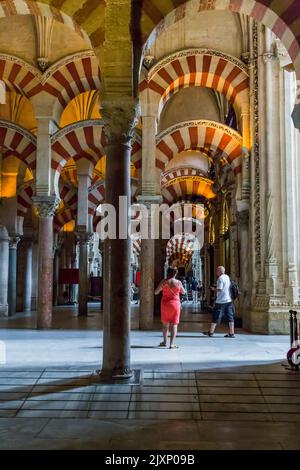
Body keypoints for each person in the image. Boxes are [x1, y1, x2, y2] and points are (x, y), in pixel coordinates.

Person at [155, 267, 186, 349]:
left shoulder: (164, 282)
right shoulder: (178, 282)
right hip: (175, 304)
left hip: (165, 304)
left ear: (167, 273)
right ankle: (172, 344)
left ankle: (165, 342)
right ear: (176, 273)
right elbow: (184, 292)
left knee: (165, 325)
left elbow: (156, 292)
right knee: (174, 324)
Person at [203, 266, 235, 338]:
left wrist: (213, 288)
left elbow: (220, 289)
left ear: (219, 271)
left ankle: (211, 332)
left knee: (216, 316)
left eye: (217, 271)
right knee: (230, 316)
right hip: (228, 300)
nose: (216, 272)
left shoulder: (220, 279)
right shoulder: (227, 277)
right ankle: (231, 332)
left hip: (221, 301)